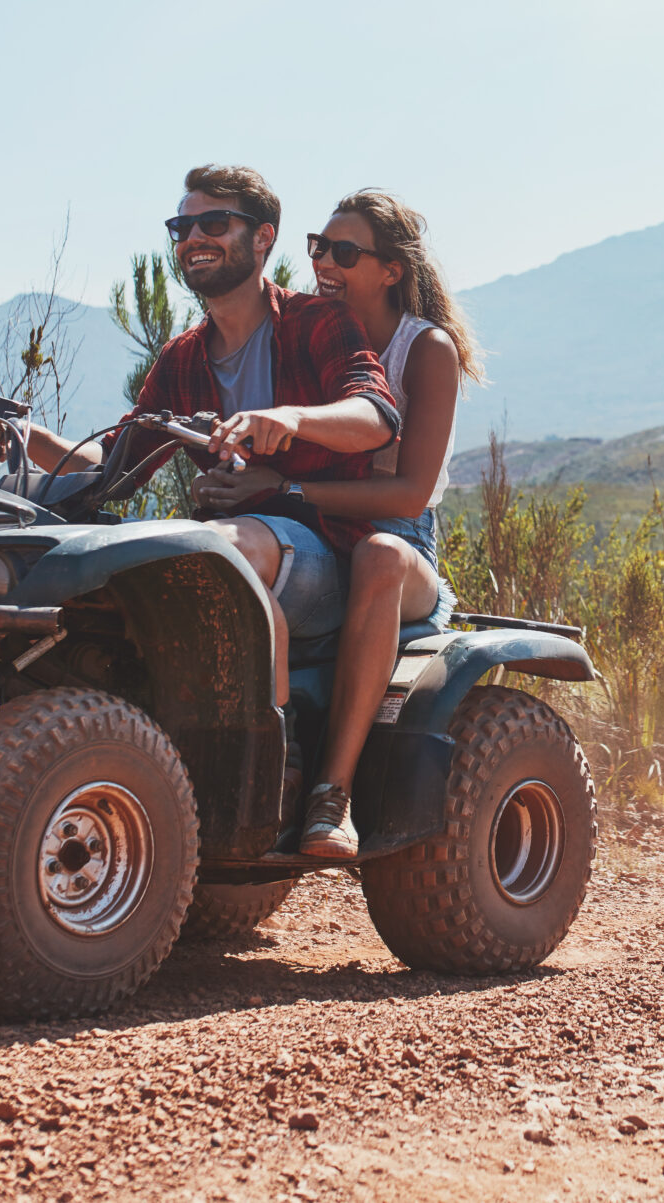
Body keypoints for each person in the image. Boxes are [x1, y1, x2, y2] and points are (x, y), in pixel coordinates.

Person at [0, 165, 397, 710]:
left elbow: (376, 415)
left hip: (327, 553)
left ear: (263, 237)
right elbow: (114, 464)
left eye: (215, 223)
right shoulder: (182, 357)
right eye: (183, 228)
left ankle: (268, 752)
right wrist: (24, 435)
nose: (195, 238)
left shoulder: (317, 321)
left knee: (213, 549)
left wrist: (290, 419)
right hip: (230, 538)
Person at [191, 189, 478, 858]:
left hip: (399, 545)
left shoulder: (424, 349)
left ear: (391, 271)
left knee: (379, 554)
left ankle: (333, 795)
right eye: (317, 247)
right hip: (314, 528)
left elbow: (408, 495)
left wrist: (290, 486)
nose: (323, 261)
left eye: (344, 252)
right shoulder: (312, 330)